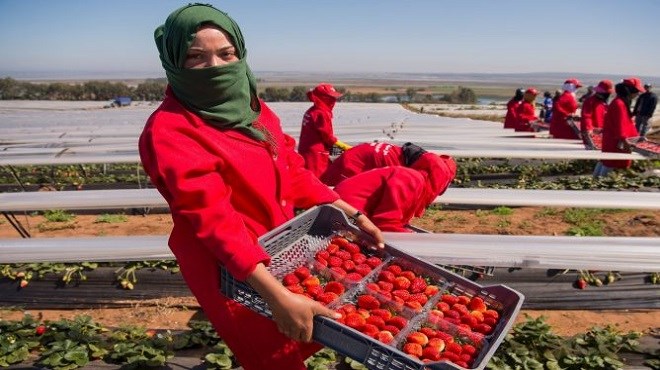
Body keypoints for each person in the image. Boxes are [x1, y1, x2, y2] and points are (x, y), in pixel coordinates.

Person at [138, 5, 384, 370]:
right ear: (173, 61)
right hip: (232, 270)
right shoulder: (171, 131)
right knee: (271, 358)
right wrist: (275, 294)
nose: (217, 67)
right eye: (196, 57)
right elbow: (214, 220)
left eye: (226, 54)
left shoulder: (252, 109)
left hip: (278, 246)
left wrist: (351, 212)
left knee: (295, 341)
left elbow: (291, 168)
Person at [334, 154, 457, 232]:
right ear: (440, 181)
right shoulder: (412, 179)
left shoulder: (413, 177)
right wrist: (414, 240)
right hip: (346, 215)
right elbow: (385, 222)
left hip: (348, 211)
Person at [297, 83, 352, 178]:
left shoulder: (312, 110)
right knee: (317, 179)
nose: (333, 101)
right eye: (330, 98)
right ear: (323, 98)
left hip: (307, 150)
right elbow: (328, 138)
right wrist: (347, 148)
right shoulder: (321, 113)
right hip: (315, 154)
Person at [593, 78, 645, 177]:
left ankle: (596, 181)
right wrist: (626, 143)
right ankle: (600, 186)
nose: (637, 94)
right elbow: (620, 126)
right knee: (612, 164)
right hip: (617, 144)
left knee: (606, 161)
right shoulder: (619, 104)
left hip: (613, 140)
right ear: (630, 91)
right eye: (637, 91)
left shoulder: (618, 102)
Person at [321, 141, 426, 186]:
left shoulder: (397, 151)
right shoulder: (395, 163)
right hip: (350, 164)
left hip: (353, 157)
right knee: (339, 196)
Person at [580, 80, 612, 149]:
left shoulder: (603, 103)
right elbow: (587, 116)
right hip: (592, 133)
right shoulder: (590, 101)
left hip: (601, 133)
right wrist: (589, 129)